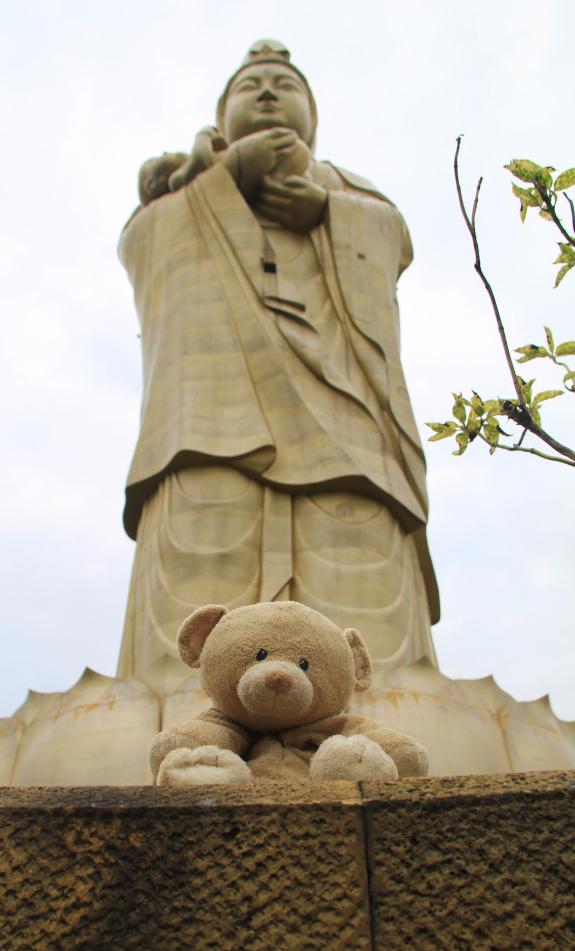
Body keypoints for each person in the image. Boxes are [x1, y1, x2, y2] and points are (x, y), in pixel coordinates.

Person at [117, 39, 440, 693]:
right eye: (250, 85)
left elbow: (392, 242)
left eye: (283, 84)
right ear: (223, 110)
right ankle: (188, 701)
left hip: (345, 417)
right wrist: (224, 179)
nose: (266, 92)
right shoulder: (183, 189)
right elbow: (143, 246)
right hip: (212, 416)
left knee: (353, 538)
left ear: (312, 117)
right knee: (206, 536)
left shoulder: (350, 194)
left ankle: (372, 698)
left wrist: (325, 212)